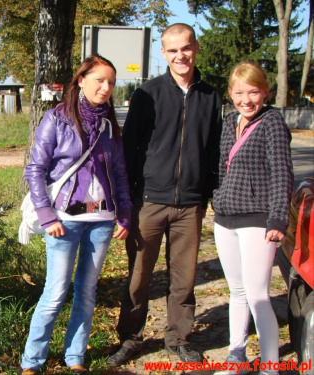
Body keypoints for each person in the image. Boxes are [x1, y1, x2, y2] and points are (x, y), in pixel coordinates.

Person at [106, 23, 222, 366]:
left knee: (184, 278)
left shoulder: (211, 96)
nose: (180, 55)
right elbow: (130, 149)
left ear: (196, 48)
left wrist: (208, 196)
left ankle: (178, 338)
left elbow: (214, 150)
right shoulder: (148, 93)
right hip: (150, 202)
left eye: (185, 48)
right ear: (164, 53)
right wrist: (129, 199)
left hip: (190, 205)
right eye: (172, 50)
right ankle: (130, 337)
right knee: (139, 276)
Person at [20, 54, 132, 374]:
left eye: (111, 82)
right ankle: (32, 360)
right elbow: (36, 169)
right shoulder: (56, 119)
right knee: (55, 293)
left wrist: (124, 212)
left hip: (101, 220)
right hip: (64, 220)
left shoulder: (109, 125)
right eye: (99, 80)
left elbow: (120, 173)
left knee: (86, 291)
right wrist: (46, 214)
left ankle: (75, 356)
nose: (106, 87)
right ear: (81, 81)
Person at [212, 61, 293, 375]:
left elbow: (281, 174)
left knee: (258, 294)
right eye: (239, 92)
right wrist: (217, 201)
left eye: (254, 91)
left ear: (265, 92)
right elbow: (222, 167)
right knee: (237, 292)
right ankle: (237, 358)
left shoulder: (272, 122)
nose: (246, 99)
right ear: (230, 93)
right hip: (225, 219)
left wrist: (277, 219)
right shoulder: (230, 120)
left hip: (258, 221)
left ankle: (270, 366)